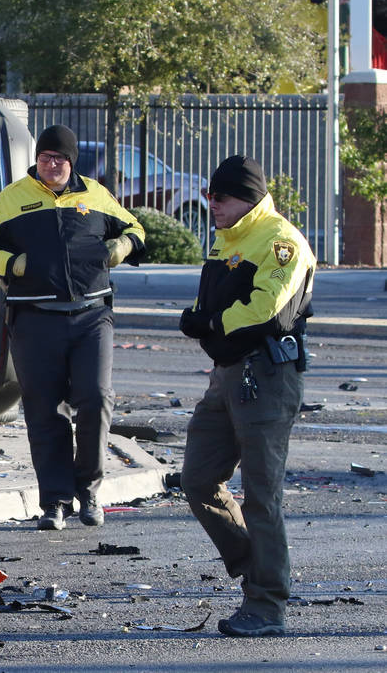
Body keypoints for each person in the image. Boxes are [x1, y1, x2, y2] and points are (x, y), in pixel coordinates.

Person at [0, 124, 145, 530]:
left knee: (96, 398)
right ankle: (54, 501)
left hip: (91, 316)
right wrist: (15, 265)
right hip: (34, 318)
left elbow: (135, 228)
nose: (52, 164)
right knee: (44, 411)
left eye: (60, 158)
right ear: (37, 159)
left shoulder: (96, 196)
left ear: (72, 161)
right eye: (46, 157)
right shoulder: (13, 199)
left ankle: (89, 491)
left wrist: (118, 248)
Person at [179, 155, 315, 637]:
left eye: (222, 197)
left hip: (266, 379)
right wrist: (200, 315)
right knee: (196, 478)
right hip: (226, 375)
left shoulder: (280, 240)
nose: (211, 205)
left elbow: (267, 310)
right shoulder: (227, 238)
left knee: (261, 497)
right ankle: (255, 569)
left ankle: (266, 605)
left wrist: (212, 322)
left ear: (249, 198)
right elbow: (217, 298)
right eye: (209, 196)